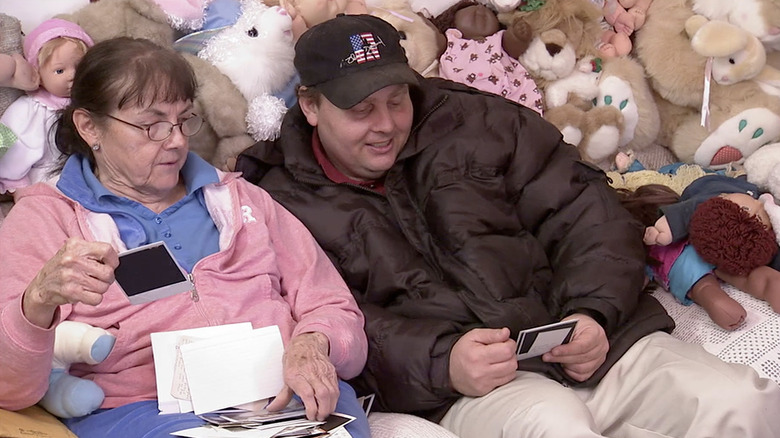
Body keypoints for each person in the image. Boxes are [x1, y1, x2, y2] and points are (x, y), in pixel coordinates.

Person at [235, 13, 780, 438]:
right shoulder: (274, 199)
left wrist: (592, 311)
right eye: (360, 111)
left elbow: (587, 211)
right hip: (472, 387)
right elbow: (323, 321)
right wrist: (442, 361)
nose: (385, 126)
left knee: (743, 404)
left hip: (594, 339)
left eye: (396, 101)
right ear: (309, 105)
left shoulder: (477, 121)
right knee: (555, 426)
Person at [0, 37, 369, 438]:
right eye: (153, 125)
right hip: (146, 415)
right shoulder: (46, 217)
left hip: (288, 402)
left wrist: (316, 344)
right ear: (90, 127)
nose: (176, 140)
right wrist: (35, 303)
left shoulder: (243, 200)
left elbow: (334, 306)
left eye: (184, 120)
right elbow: (10, 388)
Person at [638, 174, 780, 330]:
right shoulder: (700, 208)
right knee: (751, 274)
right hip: (729, 250)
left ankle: (715, 300)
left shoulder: (651, 247)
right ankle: (770, 282)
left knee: (702, 286)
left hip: (691, 257)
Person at [0, 19, 93, 193]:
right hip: (44, 176)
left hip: (86, 173)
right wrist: (16, 184)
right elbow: (5, 138)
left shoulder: (92, 103)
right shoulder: (30, 109)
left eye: (80, 67)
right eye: (59, 71)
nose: (72, 76)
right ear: (38, 75)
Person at [432, 0, 544, 114]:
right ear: (452, 21)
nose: (480, 8)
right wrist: (421, 23)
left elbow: (514, 48)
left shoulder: (499, 39)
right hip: (467, 105)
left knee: (524, 123)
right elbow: (429, 38)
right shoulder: (451, 40)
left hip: (512, 101)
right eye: (471, 9)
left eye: (488, 11)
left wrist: (517, 36)